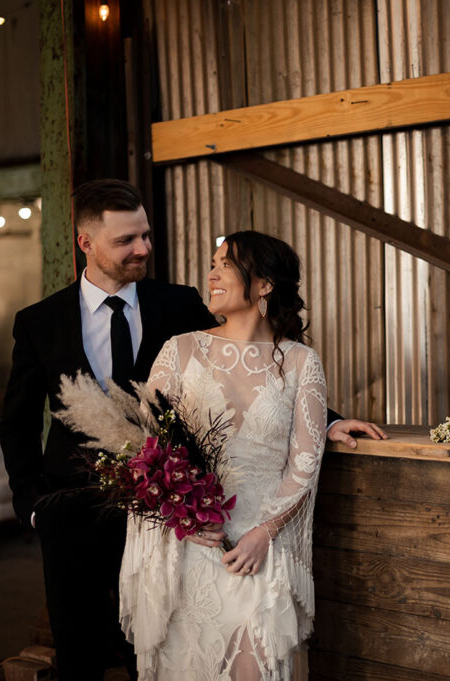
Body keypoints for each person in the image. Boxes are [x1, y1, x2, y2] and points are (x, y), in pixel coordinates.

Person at [0, 179, 385, 680]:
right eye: (126, 241)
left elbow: (248, 359)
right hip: (74, 509)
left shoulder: (177, 304)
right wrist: (33, 507)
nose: (143, 249)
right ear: (86, 243)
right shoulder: (39, 321)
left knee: (160, 647)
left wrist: (327, 421)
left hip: (173, 519)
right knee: (80, 654)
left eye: (146, 235)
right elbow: (19, 420)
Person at [120, 231, 324, 679]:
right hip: (190, 544)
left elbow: (304, 465)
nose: (211, 274)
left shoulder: (300, 363)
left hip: (260, 547)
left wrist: (263, 534)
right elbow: (147, 451)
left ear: (265, 284)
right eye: (212, 263)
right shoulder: (180, 350)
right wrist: (184, 517)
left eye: (225, 265)